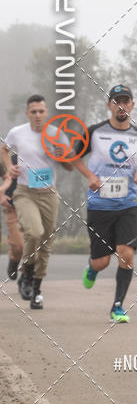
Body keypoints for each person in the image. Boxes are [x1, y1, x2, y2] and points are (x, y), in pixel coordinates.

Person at [72, 85, 137, 323]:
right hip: (99, 206)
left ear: (132, 105)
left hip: (127, 205)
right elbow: (74, 157)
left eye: (126, 101)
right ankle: (92, 268)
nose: (121, 105)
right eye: (117, 101)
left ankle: (118, 306)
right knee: (102, 260)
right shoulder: (94, 132)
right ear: (109, 105)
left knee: (126, 254)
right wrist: (90, 176)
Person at [1, 95, 72, 309]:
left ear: (47, 112)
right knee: (34, 232)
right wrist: (8, 168)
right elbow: (4, 149)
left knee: (46, 242)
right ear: (27, 113)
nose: (38, 115)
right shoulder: (17, 133)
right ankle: (27, 271)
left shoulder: (57, 135)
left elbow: (69, 167)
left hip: (49, 193)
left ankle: (36, 289)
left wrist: (63, 156)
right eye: (34, 112)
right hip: (25, 192)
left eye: (41, 111)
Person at [0, 153, 23, 282]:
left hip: (37, 208)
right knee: (19, 245)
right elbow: (5, 176)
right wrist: (1, 193)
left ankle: (27, 277)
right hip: (13, 208)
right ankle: (14, 259)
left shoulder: (42, 160)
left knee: (35, 242)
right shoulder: (11, 160)